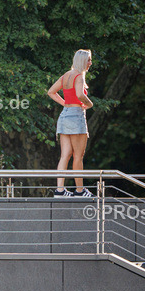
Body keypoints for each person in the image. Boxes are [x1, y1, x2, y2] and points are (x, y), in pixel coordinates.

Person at [47, 49, 94, 197]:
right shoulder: (78, 77)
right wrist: (89, 104)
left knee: (65, 155)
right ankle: (80, 191)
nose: (90, 63)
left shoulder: (66, 75)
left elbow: (51, 92)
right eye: (89, 60)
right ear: (82, 61)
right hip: (76, 116)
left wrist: (65, 104)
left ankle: (60, 191)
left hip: (64, 115)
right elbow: (80, 94)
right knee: (78, 156)